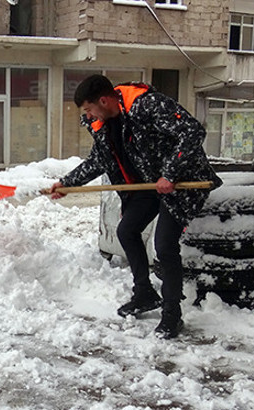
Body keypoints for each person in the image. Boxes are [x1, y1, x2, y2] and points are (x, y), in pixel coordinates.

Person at [49, 74, 221, 339]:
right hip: (149, 183)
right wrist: (67, 183)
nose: (88, 114)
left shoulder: (146, 105)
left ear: (103, 100)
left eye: (89, 108)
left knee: (164, 245)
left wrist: (171, 174)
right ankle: (144, 293)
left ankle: (172, 315)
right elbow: (99, 160)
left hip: (182, 180)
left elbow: (192, 131)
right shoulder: (103, 124)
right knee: (126, 231)